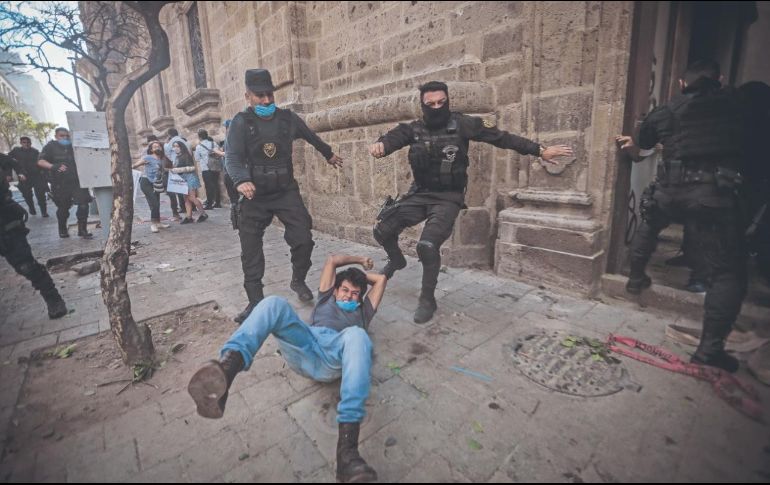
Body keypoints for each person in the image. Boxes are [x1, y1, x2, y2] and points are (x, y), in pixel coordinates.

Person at [369, 81, 573, 323]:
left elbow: (502, 138)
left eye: (441, 103)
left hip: (448, 197)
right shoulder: (412, 129)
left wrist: (539, 150)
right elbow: (391, 138)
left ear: (447, 101)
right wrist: (381, 145)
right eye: (431, 104)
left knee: (427, 245)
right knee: (382, 230)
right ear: (423, 105)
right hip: (420, 194)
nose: (436, 107)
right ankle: (396, 260)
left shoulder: (464, 124)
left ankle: (427, 298)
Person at [188, 253, 386, 483]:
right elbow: (332, 260)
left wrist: (361, 277)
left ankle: (347, 454)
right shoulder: (325, 298)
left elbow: (380, 280)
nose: (349, 296)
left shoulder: (363, 311)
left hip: (335, 354)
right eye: (345, 290)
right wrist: (359, 260)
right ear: (334, 290)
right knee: (274, 303)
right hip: (306, 344)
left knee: (358, 335)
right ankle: (225, 373)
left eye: (355, 294)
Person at [618, 60, 747, 372]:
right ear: (720, 78)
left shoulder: (667, 109)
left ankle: (635, 280)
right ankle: (709, 350)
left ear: (680, 83)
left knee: (650, 224)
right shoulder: (736, 106)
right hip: (711, 196)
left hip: (670, 191)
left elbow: (646, 139)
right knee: (729, 272)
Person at [225, 68, 344, 323]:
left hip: (285, 191)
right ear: (248, 96)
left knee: (303, 238)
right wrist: (241, 180)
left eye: (270, 94)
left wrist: (329, 154)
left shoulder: (287, 119)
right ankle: (255, 303)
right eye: (260, 96)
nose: (267, 100)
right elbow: (232, 157)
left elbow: (311, 136)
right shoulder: (240, 123)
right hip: (254, 196)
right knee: (251, 251)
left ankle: (298, 279)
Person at [0, 152, 67, 318]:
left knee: (25, 265)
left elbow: (11, 162)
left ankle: (53, 298)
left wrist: (13, 173)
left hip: (5, 220)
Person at [37, 127, 93, 239]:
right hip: (60, 183)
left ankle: (82, 230)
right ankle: (62, 229)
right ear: (56, 136)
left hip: (77, 181)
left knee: (83, 205)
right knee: (63, 208)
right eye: (62, 136)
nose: (65, 138)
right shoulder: (50, 147)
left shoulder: (74, 145)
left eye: (67, 136)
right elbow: (40, 161)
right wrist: (53, 166)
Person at [133, 141, 171, 233]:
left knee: (157, 202)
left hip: (157, 183)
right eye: (154, 147)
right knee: (154, 203)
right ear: (151, 149)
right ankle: (153, 224)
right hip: (146, 182)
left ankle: (158, 223)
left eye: (158, 146)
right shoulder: (147, 157)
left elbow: (164, 169)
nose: (157, 148)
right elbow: (135, 165)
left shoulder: (162, 159)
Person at [169, 141, 207, 224]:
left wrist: (177, 170)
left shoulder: (186, 155)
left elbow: (192, 167)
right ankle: (189, 216)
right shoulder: (177, 157)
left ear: (181, 147)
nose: (175, 148)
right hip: (183, 179)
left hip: (190, 178)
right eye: (174, 146)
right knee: (186, 198)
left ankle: (203, 214)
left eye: (177, 146)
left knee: (192, 197)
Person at [9, 136, 47, 217]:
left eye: (28, 142)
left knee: (41, 195)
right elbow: (8, 160)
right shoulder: (16, 151)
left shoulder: (35, 151)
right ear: (21, 143)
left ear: (31, 143)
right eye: (24, 142)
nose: (26, 144)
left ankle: (44, 211)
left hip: (36, 176)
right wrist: (17, 171)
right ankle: (31, 208)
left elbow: (41, 162)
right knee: (27, 195)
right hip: (23, 176)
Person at [194, 129, 222, 210]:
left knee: (208, 186)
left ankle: (209, 204)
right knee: (216, 184)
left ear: (199, 137)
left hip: (206, 168)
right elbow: (219, 153)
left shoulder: (199, 146)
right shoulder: (214, 143)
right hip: (215, 167)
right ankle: (217, 202)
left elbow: (197, 158)